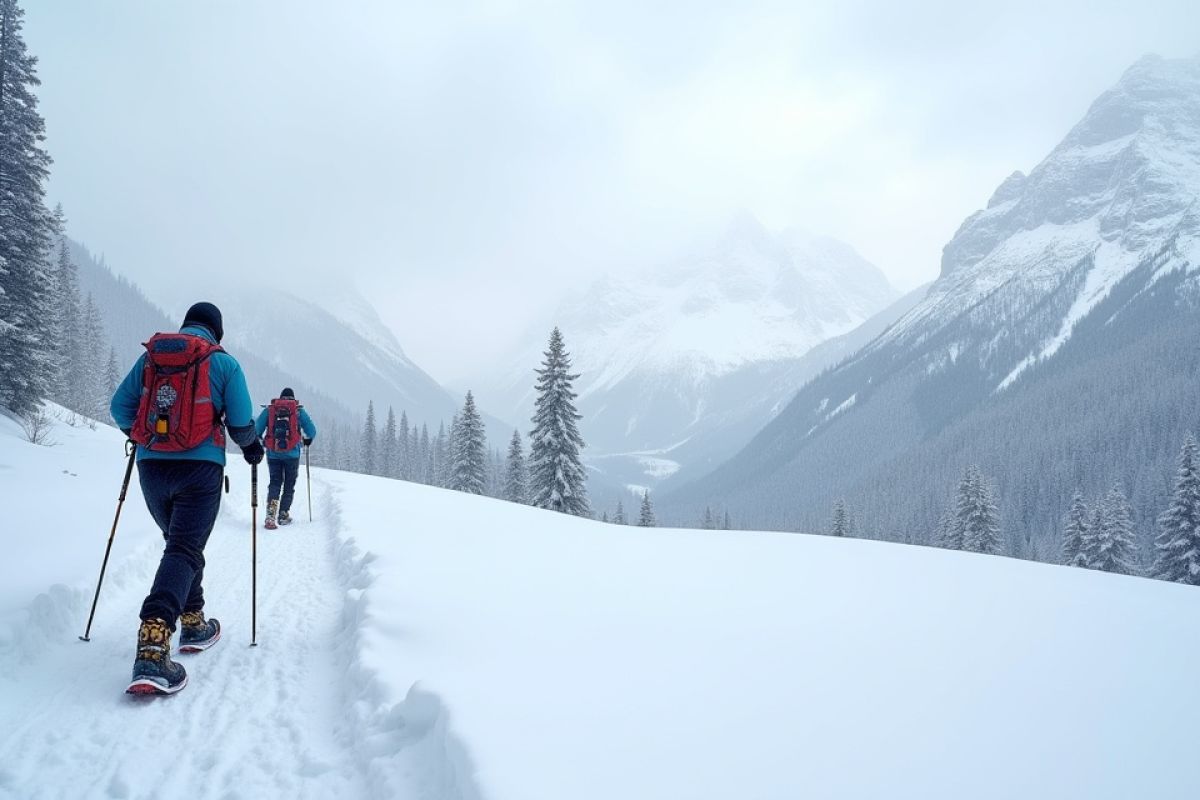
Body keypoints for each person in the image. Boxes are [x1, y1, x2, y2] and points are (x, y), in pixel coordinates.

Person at [110, 302, 264, 695]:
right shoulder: (224, 363)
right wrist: (251, 448)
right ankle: (153, 642)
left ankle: (193, 620)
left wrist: (144, 436)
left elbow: (119, 408)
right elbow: (242, 421)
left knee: (180, 546)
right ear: (218, 331)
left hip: (151, 469)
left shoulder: (151, 359)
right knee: (184, 547)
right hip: (200, 469)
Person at [256, 388, 317, 529]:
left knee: (275, 483)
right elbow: (312, 431)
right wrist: (306, 441)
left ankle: (270, 516)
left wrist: (264, 442)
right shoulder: (298, 411)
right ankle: (283, 514)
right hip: (293, 455)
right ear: (293, 398)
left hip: (273, 454)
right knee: (289, 485)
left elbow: (256, 430)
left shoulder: (270, 410)